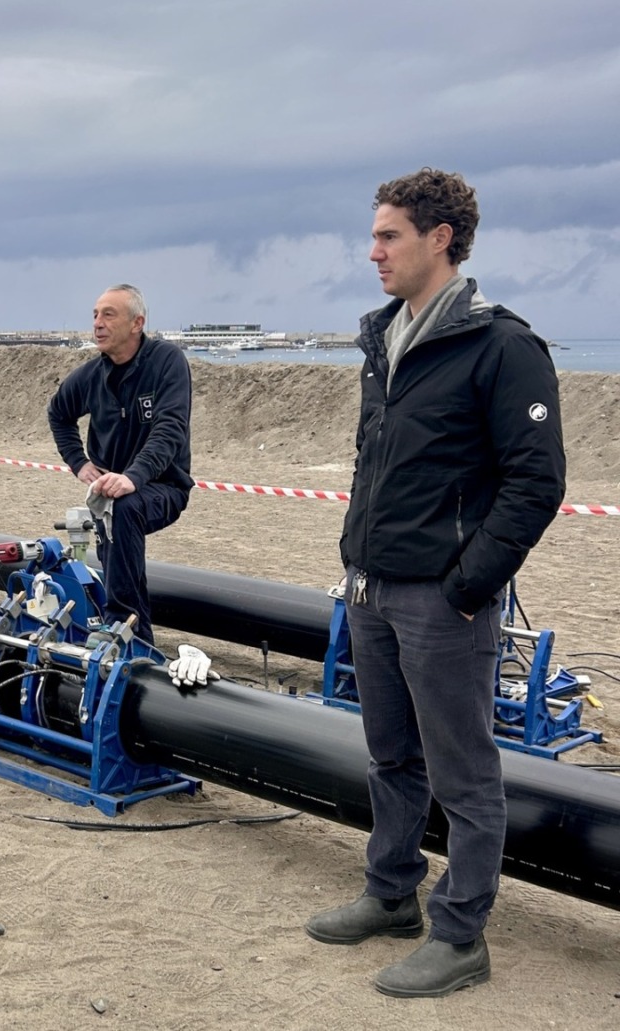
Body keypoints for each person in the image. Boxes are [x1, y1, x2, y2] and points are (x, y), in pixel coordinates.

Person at [305, 169, 566, 997]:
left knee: (464, 772)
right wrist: (356, 558)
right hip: (374, 586)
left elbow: (537, 481)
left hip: (442, 599)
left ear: (440, 238)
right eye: (375, 234)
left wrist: (466, 584)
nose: (372, 250)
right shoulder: (385, 339)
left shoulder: (502, 346)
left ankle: (461, 935)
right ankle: (392, 893)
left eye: (389, 235)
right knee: (389, 754)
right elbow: (371, 461)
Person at [47, 283, 194, 648]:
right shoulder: (91, 375)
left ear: (136, 323)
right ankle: (136, 634)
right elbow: (58, 414)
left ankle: (126, 630)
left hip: (163, 486)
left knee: (125, 509)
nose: (97, 323)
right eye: (95, 315)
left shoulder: (167, 363)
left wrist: (133, 476)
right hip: (109, 492)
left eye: (108, 314)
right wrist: (78, 463)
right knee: (114, 550)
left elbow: (170, 428)